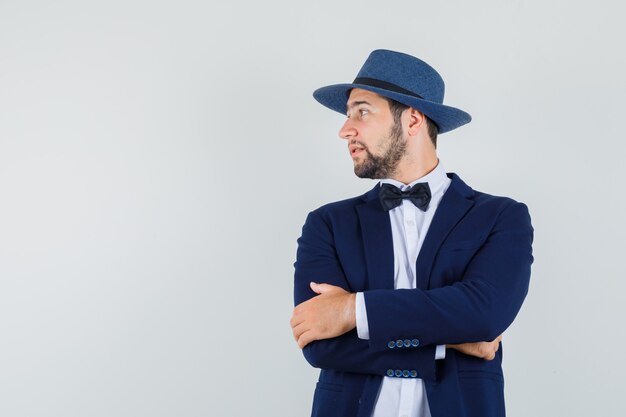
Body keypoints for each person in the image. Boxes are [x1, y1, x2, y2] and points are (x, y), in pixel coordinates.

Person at [290, 49, 534, 417]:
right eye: (347, 114)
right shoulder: (327, 223)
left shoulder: (501, 217)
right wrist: (448, 342)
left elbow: (485, 315)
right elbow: (319, 343)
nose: (345, 130)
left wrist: (352, 309)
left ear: (414, 120)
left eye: (363, 111)